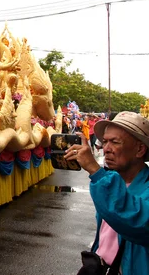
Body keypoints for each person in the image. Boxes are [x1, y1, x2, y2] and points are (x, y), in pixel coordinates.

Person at [65, 111, 149, 274]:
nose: (106, 149)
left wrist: (94, 170)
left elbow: (136, 221)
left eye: (115, 142)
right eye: (104, 142)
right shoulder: (113, 180)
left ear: (139, 149)